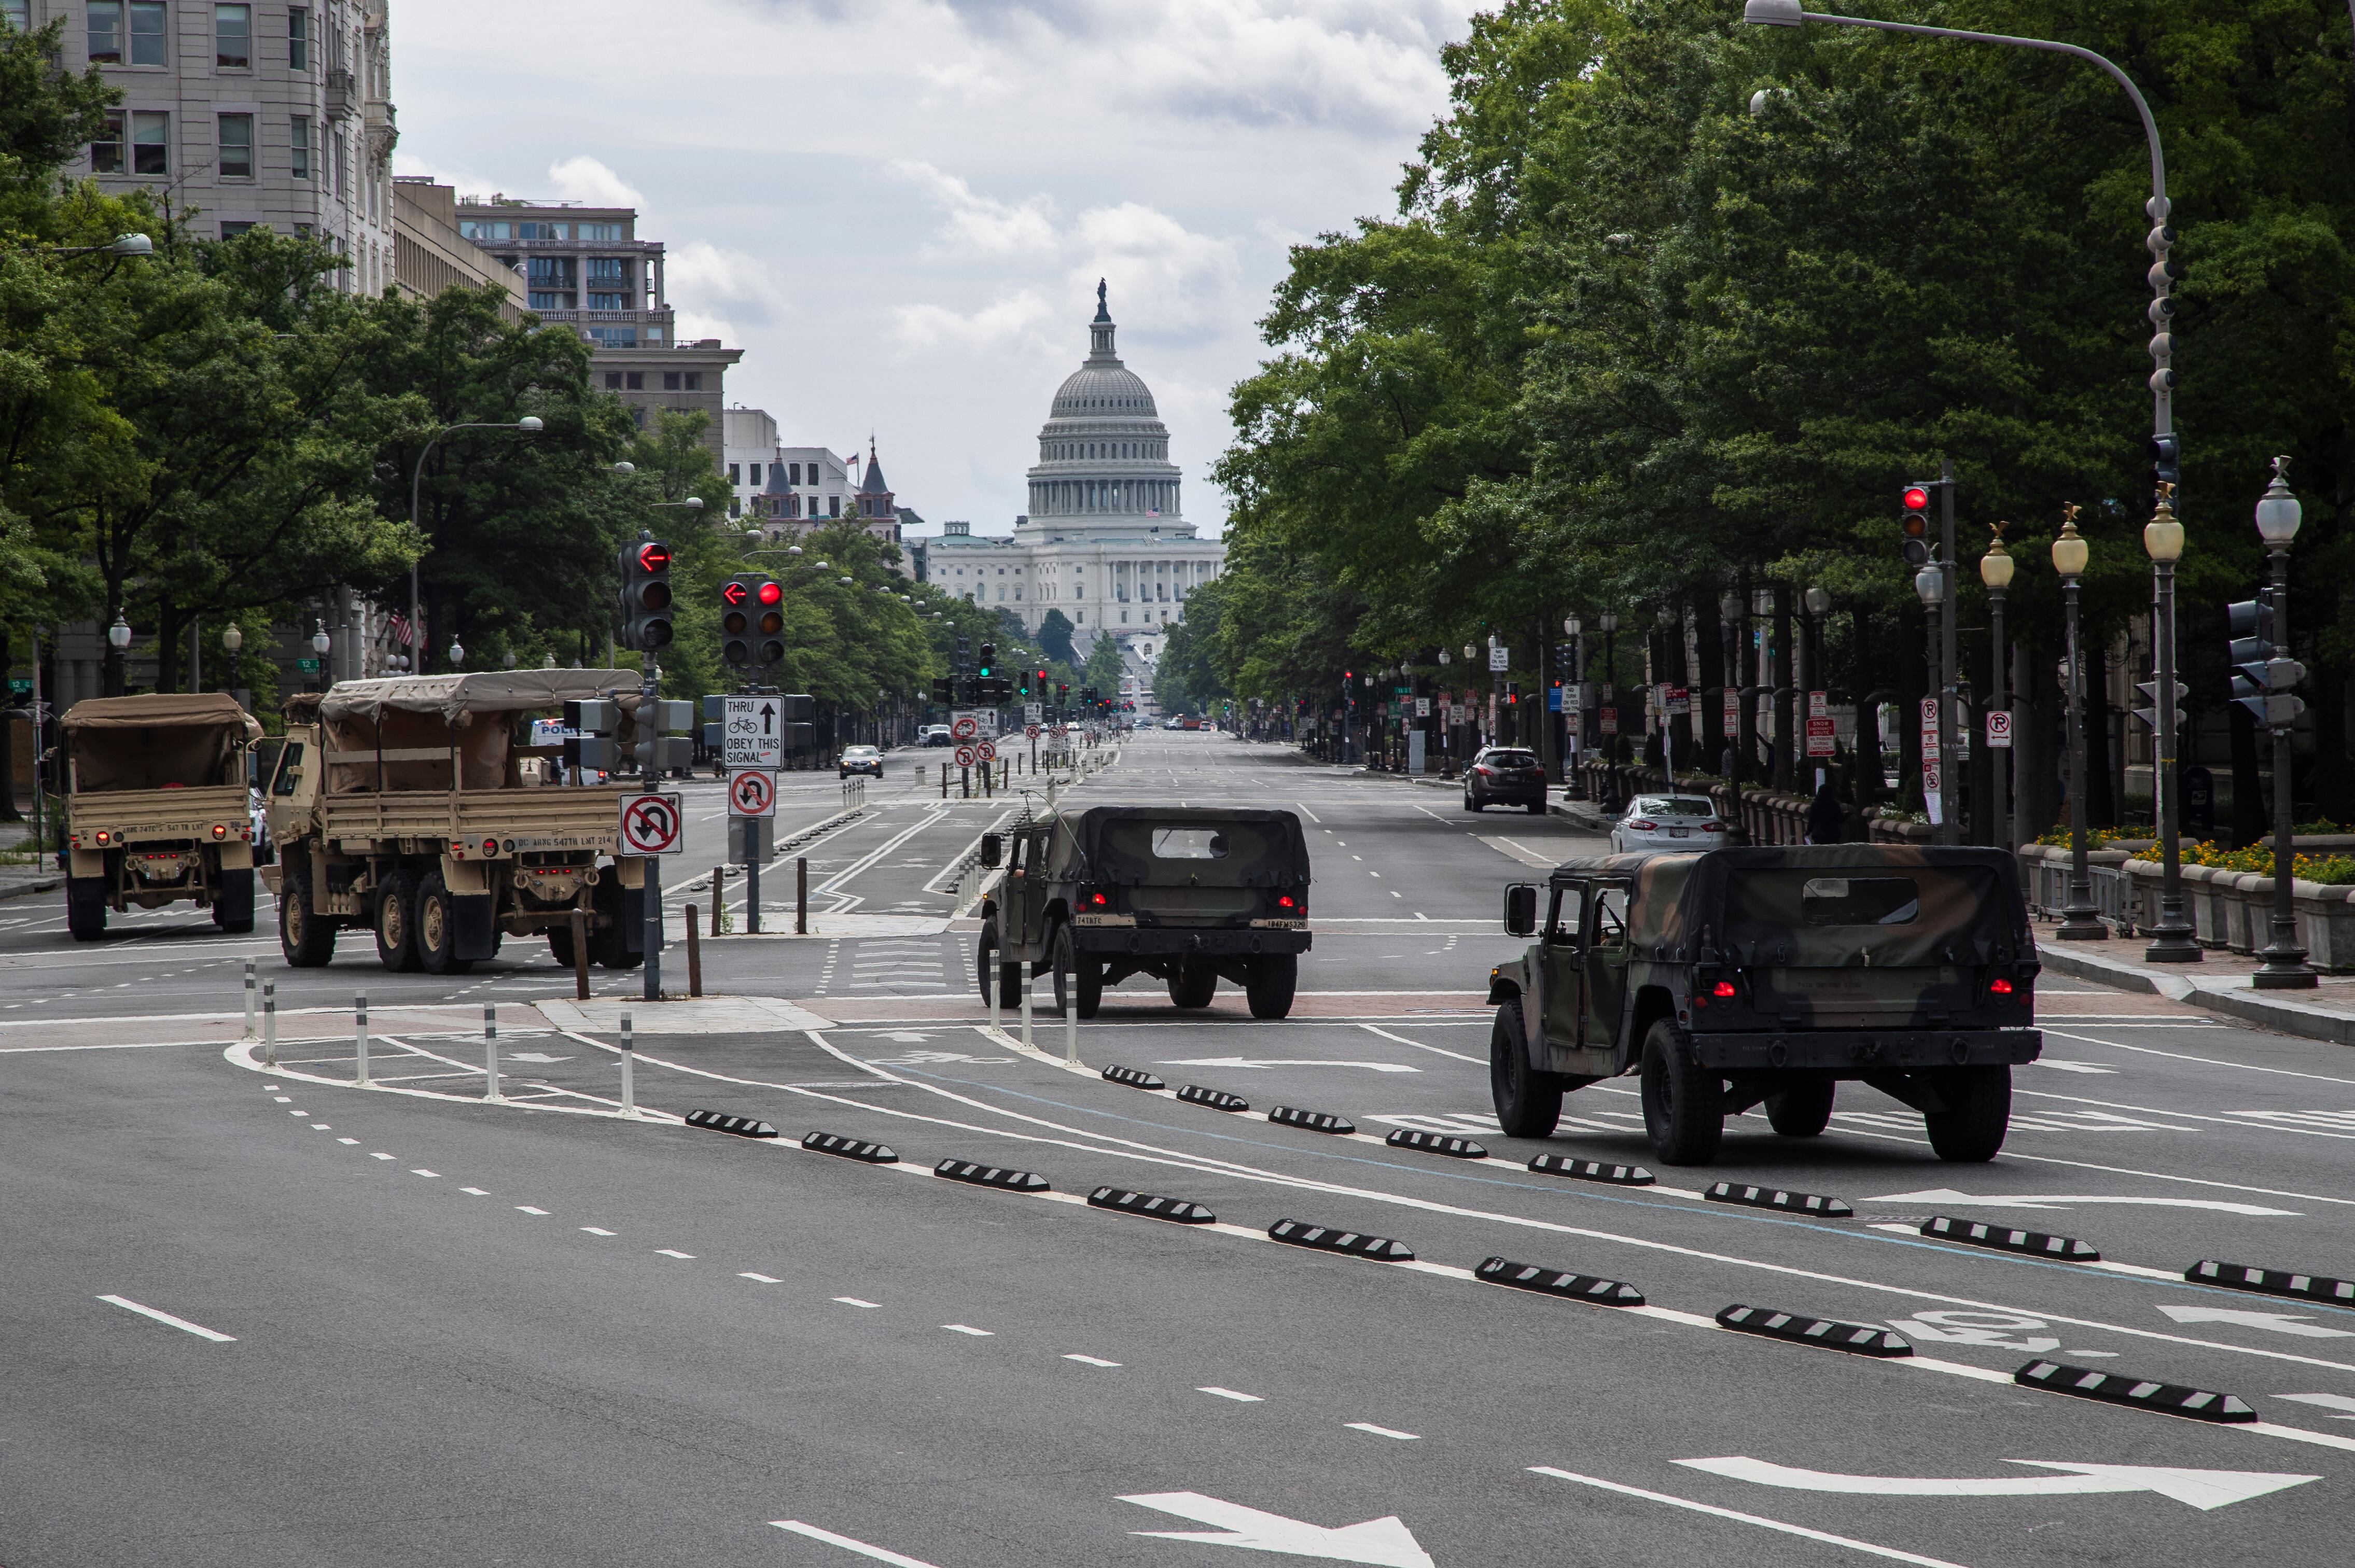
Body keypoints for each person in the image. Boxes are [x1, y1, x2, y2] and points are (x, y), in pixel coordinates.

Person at [1805, 777, 1845, 845]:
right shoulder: (1834, 804)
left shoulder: (1815, 804)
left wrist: (1808, 832)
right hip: (1832, 834)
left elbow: (1812, 820)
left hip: (1818, 834)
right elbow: (1840, 819)